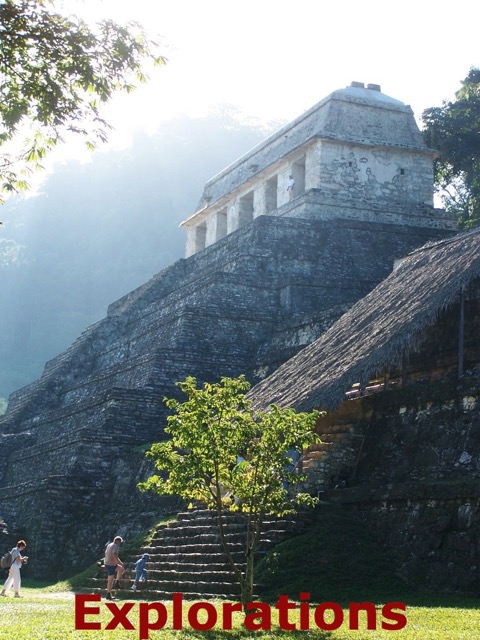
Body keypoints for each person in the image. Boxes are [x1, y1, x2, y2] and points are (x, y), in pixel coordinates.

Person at [104, 536, 125, 600]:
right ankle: (108, 594)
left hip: (108, 563)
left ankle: (117, 582)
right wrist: (119, 562)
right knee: (110, 580)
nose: (120, 544)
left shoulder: (109, 545)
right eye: (120, 543)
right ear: (117, 541)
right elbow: (114, 555)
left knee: (121, 569)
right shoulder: (115, 546)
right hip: (111, 565)